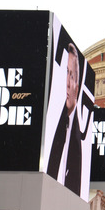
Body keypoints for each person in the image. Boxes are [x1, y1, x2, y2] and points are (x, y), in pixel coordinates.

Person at [46, 43, 83, 195]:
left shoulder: (77, 139)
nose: (67, 83)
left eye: (72, 76)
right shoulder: (50, 126)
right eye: (65, 74)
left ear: (78, 85)